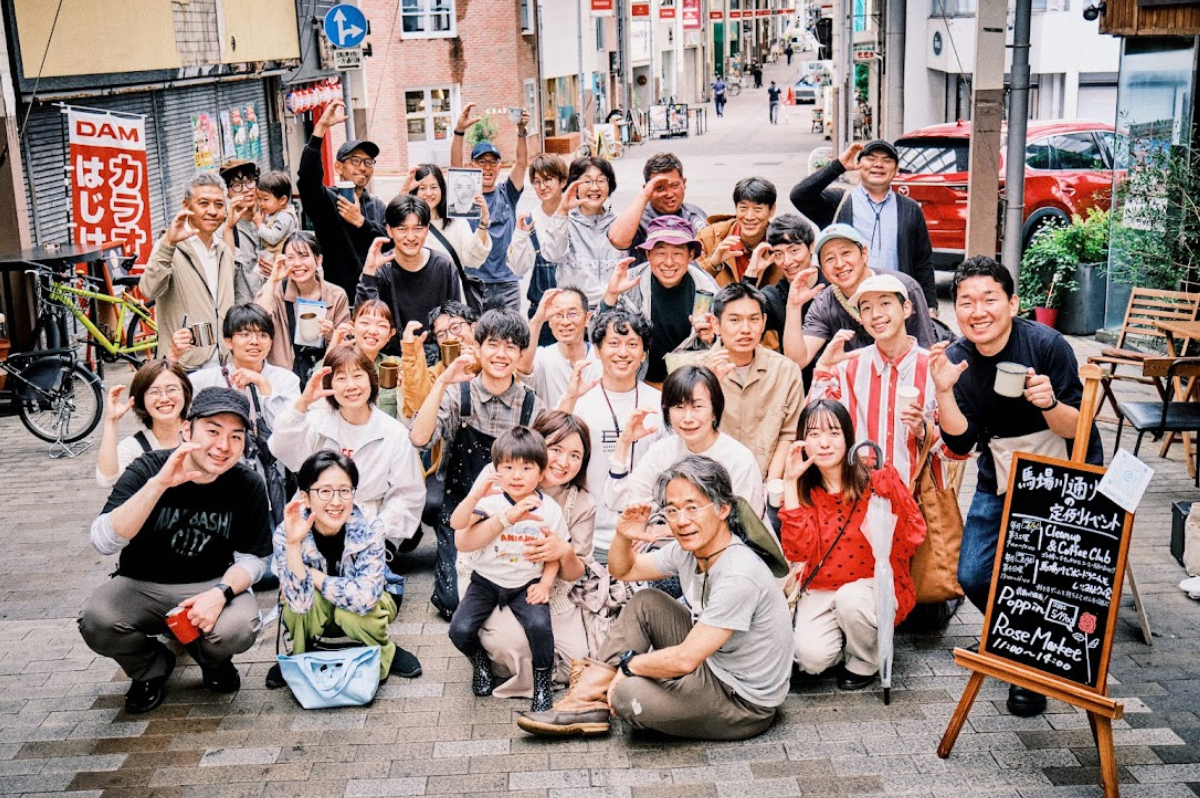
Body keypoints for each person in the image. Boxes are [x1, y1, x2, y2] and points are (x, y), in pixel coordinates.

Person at [930, 256, 1102, 718]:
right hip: (1003, 467)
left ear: (1012, 303)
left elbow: (1077, 427)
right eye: (966, 301)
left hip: (1065, 464)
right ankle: (1017, 632)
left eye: (989, 298)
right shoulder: (957, 358)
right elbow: (961, 443)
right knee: (974, 574)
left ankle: (1028, 667)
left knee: (1049, 569)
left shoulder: (1046, 344)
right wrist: (943, 391)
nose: (977, 310)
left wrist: (1047, 402)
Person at [517, 456, 792, 740]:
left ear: (723, 509)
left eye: (692, 508)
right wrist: (623, 536)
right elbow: (624, 570)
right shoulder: (689, 551)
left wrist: (629, 665)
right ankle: (585, 701)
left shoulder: (738, 574)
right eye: (672, 510)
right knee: (646, 602)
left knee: (627, 694)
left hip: (742, 702)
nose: (681, 521)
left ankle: (592, 696)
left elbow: (685, 660)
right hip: (713, 664)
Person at [79, 388, 272, 714]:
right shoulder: (148, 468)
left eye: (235, 437)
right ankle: (150, 668)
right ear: (187, 430)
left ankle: (213, 661)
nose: (223, 446)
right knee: (97, 619)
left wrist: (221, 593)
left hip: (209, 582)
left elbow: (253, 558)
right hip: (140, 583)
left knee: (238, 627)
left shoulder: (247, 482)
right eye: (212, 431)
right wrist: (158, 485)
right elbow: (103, 541)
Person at [777, 400, 926, 689]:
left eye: (833, 433)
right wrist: (790, 482)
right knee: (810, 659)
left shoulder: (876, 475)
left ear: (848, 437)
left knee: (850, 600)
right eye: (814, 434)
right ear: (802, 440)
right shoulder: (804, 489)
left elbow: (913, 536)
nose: (823, 443)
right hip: (821, 586)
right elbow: (798, 552)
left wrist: (890, 497)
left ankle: (865, 660)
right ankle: (846, 637)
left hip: (870, 586)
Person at [409, 309, 549, 618]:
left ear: (521, 354)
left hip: (513, 511)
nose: (501, 354)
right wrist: (442, 383)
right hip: (460, 506)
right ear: (479, 347)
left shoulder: (532, 404)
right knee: (452, 603)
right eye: (494, 344)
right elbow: (419, 439)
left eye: (511, 347)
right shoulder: (459, 394)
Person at [266, 451, 422, 690]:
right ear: (306, 498)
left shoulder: (370, 528)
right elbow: (298, 603)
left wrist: (316, 576)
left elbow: (366, 598)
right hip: (317, 603)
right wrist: (293, 545)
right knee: (299, 604)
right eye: (325, 491)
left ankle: (382, 648)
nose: (336, 501)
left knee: (352, 613)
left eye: (344, 491)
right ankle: (300, 656)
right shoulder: (287, 531)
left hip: (375, 601)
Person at [448, 427, 571, 713]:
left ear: (541, 473)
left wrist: (545, 584)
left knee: (540, 628)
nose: (517, 476)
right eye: (508, 467)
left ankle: (541, 684)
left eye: (526, 468)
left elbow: (554, 552)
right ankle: (480, 661)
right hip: (486, 581)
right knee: (460, 629)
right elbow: (456, 523)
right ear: (496, 470)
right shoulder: (490, 503)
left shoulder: (549, 508)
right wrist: (477, 493)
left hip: (525, 582)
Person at [474, 412, 597, 697]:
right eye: (556, 450)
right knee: (514, 649)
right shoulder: (499, 477)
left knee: (576, 659)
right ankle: (480, 645)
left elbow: (576, 572)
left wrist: (563, 552)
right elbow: (465, 537)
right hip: (496, 582)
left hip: (550, 587)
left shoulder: (582, 503)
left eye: (575, 455)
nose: (564, 462)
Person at [808, 273, 966, 485]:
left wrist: (923, 431)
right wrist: (823, 368)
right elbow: (813, 430)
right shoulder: (847, 370)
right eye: (866, 308)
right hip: (859, 499)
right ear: (860, 318)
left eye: (885, 303)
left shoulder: (934, 368)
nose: (876, 314)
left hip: (917, 501)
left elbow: (957, 451)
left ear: (906, 308)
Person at [269, 345, 426, 556]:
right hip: (315, 520)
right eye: (341, 378)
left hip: (370, 522)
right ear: (329, 385)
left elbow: (407, 495)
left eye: (358, 376)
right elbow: (281, 448)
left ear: (371, 379)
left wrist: (377, 534)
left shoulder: (393, 432)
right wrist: (303, 403)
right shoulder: (316, 422)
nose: (351, 386)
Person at [558, 309, 666, 562]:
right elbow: (548, 448)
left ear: (643, 354)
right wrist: (570, 398)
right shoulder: (580, 401)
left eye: (632, 344)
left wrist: (653, 526)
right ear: (597, 350)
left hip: (644, 538)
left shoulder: (658, 404)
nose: (622, 352)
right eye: (613, 344)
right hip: (586, 535)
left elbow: (666, 475)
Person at [789, 141, 937, 310]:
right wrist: (838, 166)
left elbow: (923, 261)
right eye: (871, 158)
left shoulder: (909, 208)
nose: (878, 164)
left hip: (896, 305)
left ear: (896, 170)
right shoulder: (839, 202)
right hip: (847, 305)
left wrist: (930, 307)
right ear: (859, 164)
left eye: (887, 160)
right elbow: (799, 196)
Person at [606, 365, 765, 520]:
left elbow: (746, 525)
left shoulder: (739, 459)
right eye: (679, 407)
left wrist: (669, 529)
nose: (688, 418)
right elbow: (620, 502)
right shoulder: (661, 451)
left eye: (697, 406)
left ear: (714, 411)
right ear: (667, 413)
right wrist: (624, 443)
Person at [785, 224, 935, 369]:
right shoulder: (824, 303)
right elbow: (798, 360)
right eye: (829, 259)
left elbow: (926, 351)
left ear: (864, 254)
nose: (839, 264)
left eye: (846, 253)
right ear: (822, 269)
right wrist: (793, 306)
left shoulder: (903, 286)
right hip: (858, 383)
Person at [700, 283, 804, 481]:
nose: (746, 329)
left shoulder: (786, 371)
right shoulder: (697, 372)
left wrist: (769, 487)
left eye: (754, 319)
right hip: (709, 485)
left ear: (764, 322)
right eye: (735, 320)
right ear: (715, 324)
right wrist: (709, 386)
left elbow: (788, 434)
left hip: (766, 484)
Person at [600, 216, 719, 385]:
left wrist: (711, 339)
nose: (669, 262)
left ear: (691, 255)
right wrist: (610, 295)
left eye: (677, 253)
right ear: (648, 255)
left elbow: (726, 345)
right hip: (637, 383)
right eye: (660, 253)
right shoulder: (630, 283)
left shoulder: (707, 288)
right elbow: (597, 336)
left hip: (689, 386)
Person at [141, 172, 235, 371]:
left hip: (225, 363)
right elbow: (148, 290)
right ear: (186, 206)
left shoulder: (224, 251)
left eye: (219, 205)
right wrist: (169, 244)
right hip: (184, 365)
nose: (212, 211)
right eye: (203, 203)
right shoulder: (169, 247)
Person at [297, 99, 387, 300]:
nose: (363, 167)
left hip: (378, 297)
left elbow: (389, 243)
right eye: (355, 161)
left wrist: (361, 223)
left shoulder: (377, 206)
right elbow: (308, 181)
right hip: (339, 300)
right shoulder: (327, 200)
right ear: (339, 167)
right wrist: (320, 129)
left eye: (368, 162)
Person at [450, 103, 531, 309]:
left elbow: (522, 163)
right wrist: (459, 132)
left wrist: (521, 131)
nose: (487, 167)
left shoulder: (508, 193)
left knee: (511, 338)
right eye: (482, 162)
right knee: (478, 338)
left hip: (507, 281)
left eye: (492, 162)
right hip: (475, 280)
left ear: (499, 167)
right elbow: (454, 167)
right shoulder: (466, 195)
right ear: (472, 166)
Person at [355, 196, 462, 350]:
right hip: (391, 361)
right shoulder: (380, 268)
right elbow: (364, 322)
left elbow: (455, 318)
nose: (411, 237)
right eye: (402, 229)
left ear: (427, 230)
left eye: (418, 229)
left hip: (437, 357)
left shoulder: (443, 265)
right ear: (389, 231)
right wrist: (369, 273)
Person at [184, 304, 302, 432]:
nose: (254, 341)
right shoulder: (204, 380)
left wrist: (263, 384)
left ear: (271, 342)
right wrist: (173, 356)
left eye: (263, 335)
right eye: (245, 334)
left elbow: (289, 431)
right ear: (228, 341)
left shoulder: (287, 380)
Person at [255, 232, 351, 383]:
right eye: (290, 258)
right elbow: (259, 323)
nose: (297, 264)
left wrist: (332, 334)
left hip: (324, 375)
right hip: (284, 377)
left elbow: (347, 345)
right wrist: (273, 280)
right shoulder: (276, 289)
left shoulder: (337, 295)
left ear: (318, 259)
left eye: (304, 256)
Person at [539, 157, 626, 309]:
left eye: (601, 180)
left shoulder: (620, 223)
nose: (594, 187)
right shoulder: (564, 221)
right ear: (574, 186)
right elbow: (553, 255)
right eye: (587, 181)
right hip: (576, 311)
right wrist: (562, 211)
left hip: (615, 310)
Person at [96, 361, 192, 487]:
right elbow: (107, 480)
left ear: (185, 393)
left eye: (171, 389)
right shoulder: (134, 448)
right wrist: (111, 421)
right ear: (141, 399)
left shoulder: (202, 435)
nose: (164, 398)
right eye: (154, 392)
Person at [509, 153, 569, 348]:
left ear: (563, 181)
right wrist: (519, 234)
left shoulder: (577, 216)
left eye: (548, 179)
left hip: (574, 313)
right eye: (537, 181)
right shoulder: (529, 220)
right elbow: (518, 269)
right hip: (542, 314)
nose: (542, 187)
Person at [608, 153, 708, 264]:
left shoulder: (696, 214)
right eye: (660, 188)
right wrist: (644, 196)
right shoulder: (638, 219)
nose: (669, 194)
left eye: (674, 185)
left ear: (684, 183)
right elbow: (617, 239)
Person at [520, 287, 601, 408]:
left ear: (587, 318)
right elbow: (522, 366)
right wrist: (538, 319)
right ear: (550, 322)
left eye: (572, 314)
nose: (565, 322)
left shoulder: (602, 357)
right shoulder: (542, 357)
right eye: (558, 315)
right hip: (554, 426)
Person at [406, 163, 492, 274]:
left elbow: (472, 260)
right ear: (414, 190)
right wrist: (404, 192)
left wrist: (484, 222)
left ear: (442, 189)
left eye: (434, 187)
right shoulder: (408, 225)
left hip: (453, 289)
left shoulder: (458, 222)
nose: (428, 193)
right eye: (422, 188)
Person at [697, 177, 782, 288]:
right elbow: (688, 281)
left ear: (772, 210)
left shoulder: (782, 244)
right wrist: (713, 264)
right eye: (743, 208)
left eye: (758, 209)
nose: (749, 216)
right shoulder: (709, 237)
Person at [326, 301, 403, 419]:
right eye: (365, 323)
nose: (372, 331)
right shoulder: (336, 362)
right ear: (352, 327)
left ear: (390, 334)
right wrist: (332, 350)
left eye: (381, 325)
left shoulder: (397, 365)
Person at [754, 213, 818, 348]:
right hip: (793, 368)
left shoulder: (832, 285)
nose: (787, 262)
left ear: (811, 246)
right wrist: (751, 273)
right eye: (778, 254)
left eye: (794, 250)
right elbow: (744, 318)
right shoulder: (774, 296)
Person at [218, 159, 266, 305]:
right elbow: (225, 278)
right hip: (246, 314)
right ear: (227, 193)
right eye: (237, 185)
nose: (246, 189)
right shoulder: (224, 229)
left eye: (250, 181)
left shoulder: (274, 217)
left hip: (275, 308)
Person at [253, 170, 299, 260]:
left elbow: (273, 238)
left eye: (265, 199)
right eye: (259, 198)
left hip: (282, 261)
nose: (261, 203)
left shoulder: (284, 217)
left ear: (282, 200)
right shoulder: (273, 213)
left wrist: (259, 225)